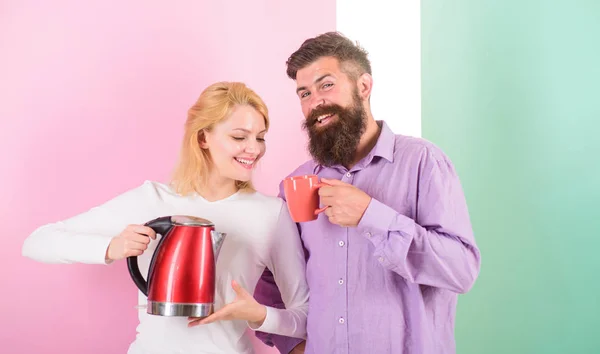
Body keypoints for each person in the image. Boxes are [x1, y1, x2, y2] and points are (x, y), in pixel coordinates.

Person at [21, 82, 309, 354]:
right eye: (239, 137)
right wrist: (112, 247)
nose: (255, 149)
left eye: (260, 138)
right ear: (203, 138)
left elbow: (305, 316)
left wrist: (259, 315)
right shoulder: (151, 200)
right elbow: (37, 242)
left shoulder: (271, 214)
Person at [253, 32, 482, 354]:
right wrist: (293, 344)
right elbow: (271, 276)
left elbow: (460, 270)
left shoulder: (423, 162)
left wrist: (371, 216)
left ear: (363, 86)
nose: (314, 101)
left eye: (326, 85)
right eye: (304, 93)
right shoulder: (297, 182)